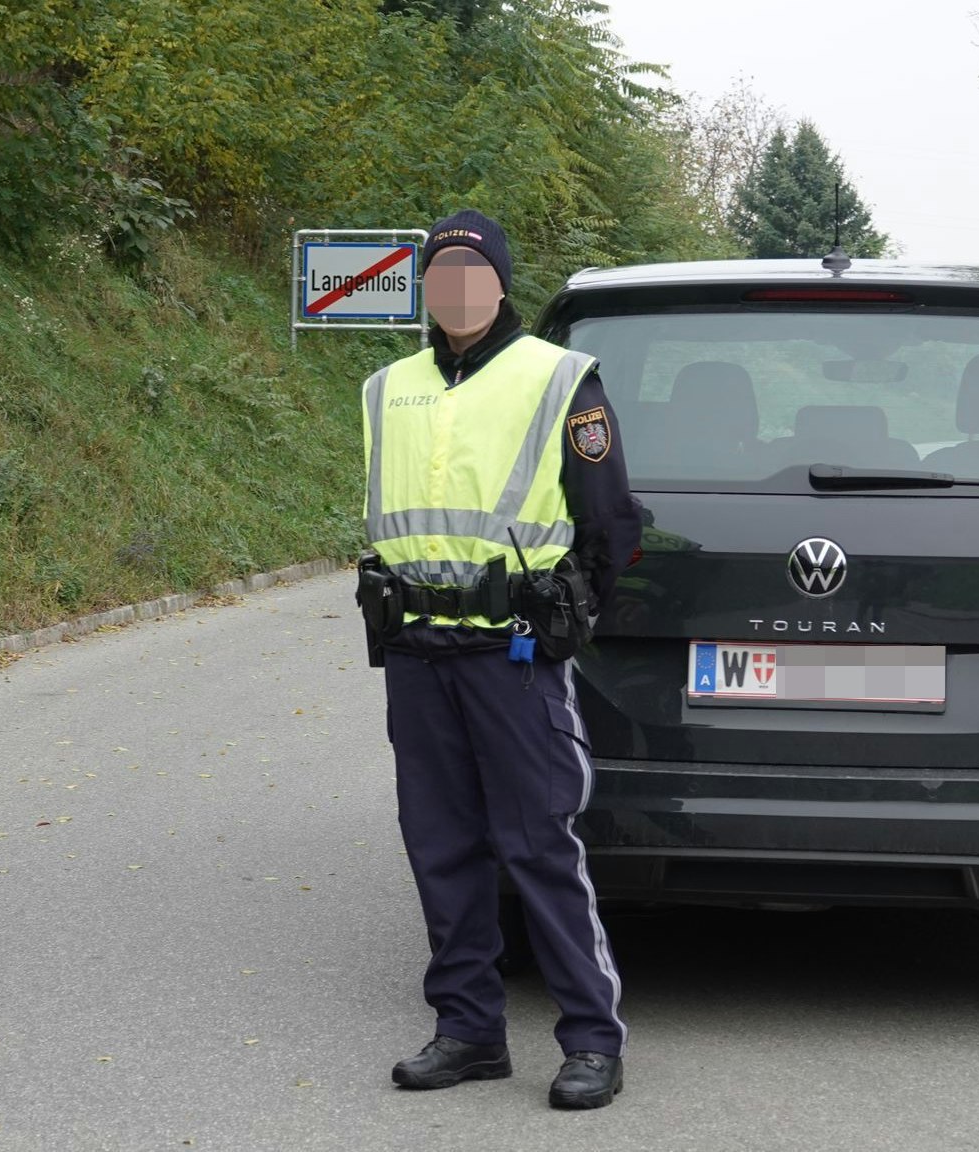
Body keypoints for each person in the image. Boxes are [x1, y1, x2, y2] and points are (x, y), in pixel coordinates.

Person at [356, 210, 641, 1109]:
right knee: (440, 845)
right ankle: (469, 1029)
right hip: (415, 650)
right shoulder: (387, 387)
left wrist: (566, 616)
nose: (455, 290)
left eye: (471, 274)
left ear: (501, 283)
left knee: (538, 844)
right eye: (440, 274)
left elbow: (610, 523)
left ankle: (591, 1040)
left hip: (512, 653)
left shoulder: (559, 380)